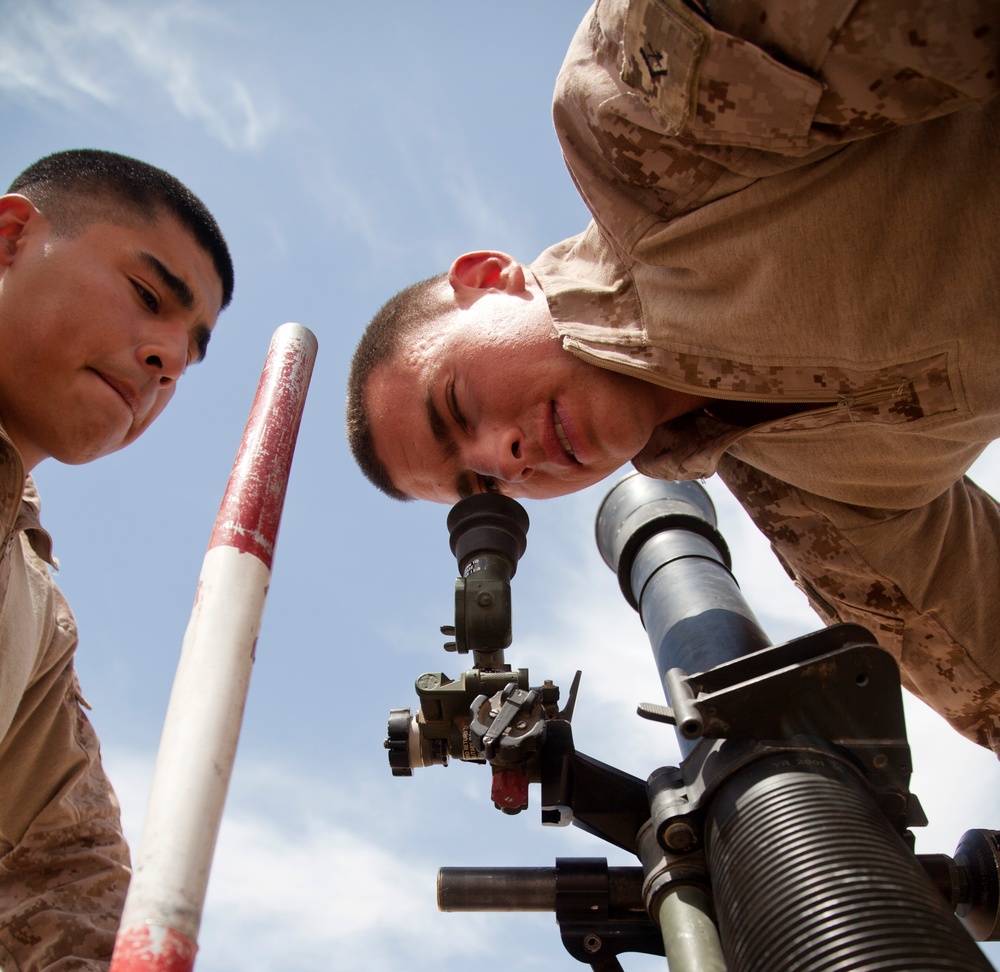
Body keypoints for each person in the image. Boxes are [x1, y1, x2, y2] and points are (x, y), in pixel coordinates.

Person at [347, 0, 1000, 753]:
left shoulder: (634, 132)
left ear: (491, 277)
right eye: (487, 486)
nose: (507, 458)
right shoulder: (820, 515)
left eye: (457, 406)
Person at [0, 149, 270, 972]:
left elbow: (59, 844)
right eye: (147, 298)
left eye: (192, 351)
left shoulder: (25, 612)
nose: (166, 361)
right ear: (9, 237)